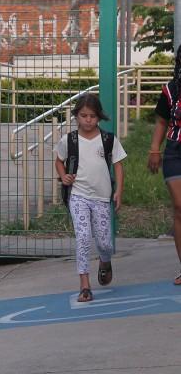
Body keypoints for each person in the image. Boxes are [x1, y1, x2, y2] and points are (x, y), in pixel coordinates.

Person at [54, 93, 125, 303]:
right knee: (83, 237)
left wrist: (118, 190)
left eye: (92, 116)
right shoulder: (69, 140)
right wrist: (63, 176)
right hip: (78, 196)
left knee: (104, 242)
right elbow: (59, 161)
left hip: (102, 197)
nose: (88, 120)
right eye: (83, 115)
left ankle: (105, 261)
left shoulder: (108, 139)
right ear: (77, 115)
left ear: (99, 117)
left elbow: (118, 165)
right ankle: (85, 285)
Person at [147, 49, 181, 286]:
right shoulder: (171, 90)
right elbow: (161, 121)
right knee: (179, 207)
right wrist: (154, 149)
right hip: (175, 152)